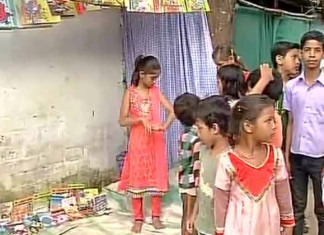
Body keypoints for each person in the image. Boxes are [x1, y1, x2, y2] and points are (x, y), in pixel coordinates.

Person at [214, 94, 294, 235]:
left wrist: (288, 222)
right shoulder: (227, 161)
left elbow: (283, 193)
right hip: (237, 229)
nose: (275, 126)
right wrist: (220, 230)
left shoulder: (276, 156)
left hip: (269, 228)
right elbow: (221, 202)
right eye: (269, 121)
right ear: (248, 126)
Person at [118, 55, 175, 233]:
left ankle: (156, 216)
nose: (154, 81)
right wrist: (140, 120)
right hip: (138, 142)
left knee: (156, 177)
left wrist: (164, 127)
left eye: (156, 77)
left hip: (155, 142)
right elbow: (122, 120)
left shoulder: (156, 92)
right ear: (142, 74)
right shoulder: (130, 93)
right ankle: (138, 217)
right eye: (152, 77)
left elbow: (172, 111)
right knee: (137, 177)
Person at [284, 30, 324, 235]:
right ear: (300, 53)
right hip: (297, 155)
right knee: (297, 207)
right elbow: (291, 121)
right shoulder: (291, 87)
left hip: (320, 156)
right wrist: (286, 154)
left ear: (323, 54)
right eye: (307, 50)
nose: (312, 55)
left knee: (322, 207)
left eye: (317, 50)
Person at [187, 95, 231, 235]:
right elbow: (201, 188)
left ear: (215, 128)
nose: (198, 134)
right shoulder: (203, 151)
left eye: (200, 129)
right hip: (203, 226)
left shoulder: (230, 159)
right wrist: (194, 215)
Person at [174, 92, 201, 235]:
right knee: (191, 218)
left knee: (187, 216)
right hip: (191, 184)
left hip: (186, 182)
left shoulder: (187, 134)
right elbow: (191, 163)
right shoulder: (194, 136)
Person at [246, 68, 283, 148]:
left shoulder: (256, 117)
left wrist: (263, 80)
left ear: (249, 86)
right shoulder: (276, 117)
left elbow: (244, 104)